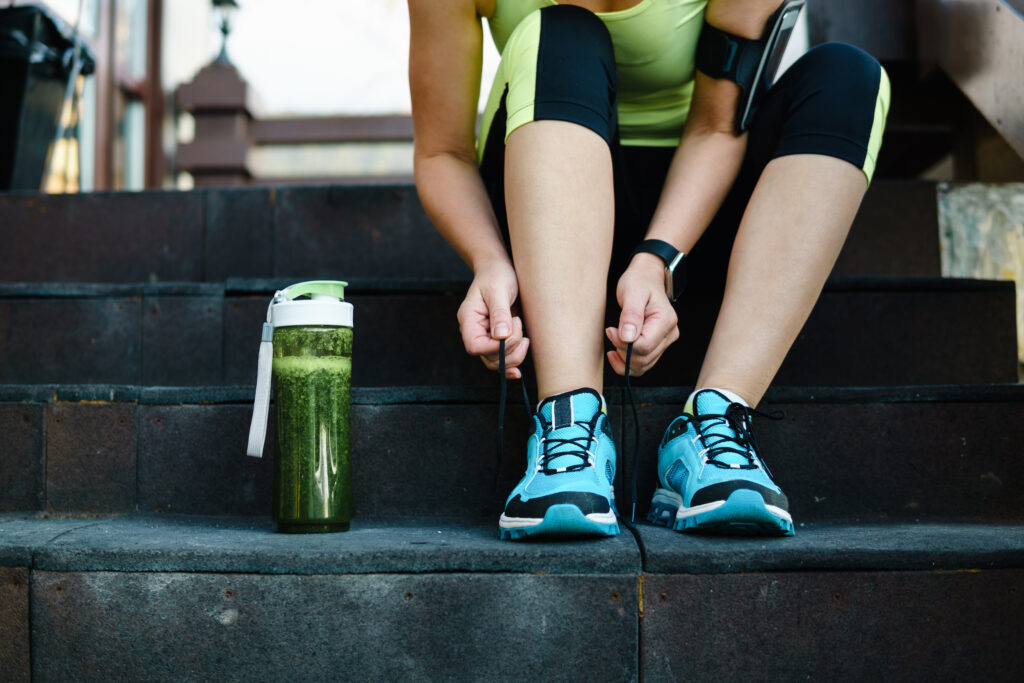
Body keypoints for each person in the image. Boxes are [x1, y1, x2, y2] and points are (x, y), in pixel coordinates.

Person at [408, 0, 889, 540]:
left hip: (689, 214)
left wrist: (658, 258)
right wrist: (489, 260)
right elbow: (441, 153)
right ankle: (568, 423)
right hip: (543, 205)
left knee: (848, 76)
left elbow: (716, 126)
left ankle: (715, 420)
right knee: (564, 30)